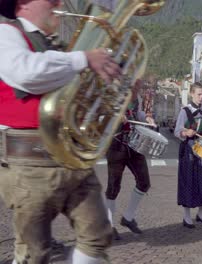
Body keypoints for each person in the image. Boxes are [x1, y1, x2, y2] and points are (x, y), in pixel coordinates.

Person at [0, 0, 120, 262]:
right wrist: (84, 58)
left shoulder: (57, 47)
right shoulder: (7, 33)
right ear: (24, 3)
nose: (60, 2)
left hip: (71, 157)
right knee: (35, 253)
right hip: (29, 163)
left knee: (98, 234)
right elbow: (26, 72)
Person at [104, 79, 156, 240]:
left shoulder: (136, 98)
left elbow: (137, 114)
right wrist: (115, 117)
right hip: (116, 145)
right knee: (113, 187)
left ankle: (128, 217)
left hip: (134, 144)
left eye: (139, 87)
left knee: (144, 182)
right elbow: (101, 116)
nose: (138, 90)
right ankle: (109, 225)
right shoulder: (113, 95)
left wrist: (147, 119)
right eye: (137, 87)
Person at [174, 82, 202, 228]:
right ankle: (186, 216)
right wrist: (185, 132)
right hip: (188, 149)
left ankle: (201, 214)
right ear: (192, 94)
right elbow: (177, 131)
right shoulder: (184, 111)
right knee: (188, 181)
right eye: (198, 94)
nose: (201, 97)